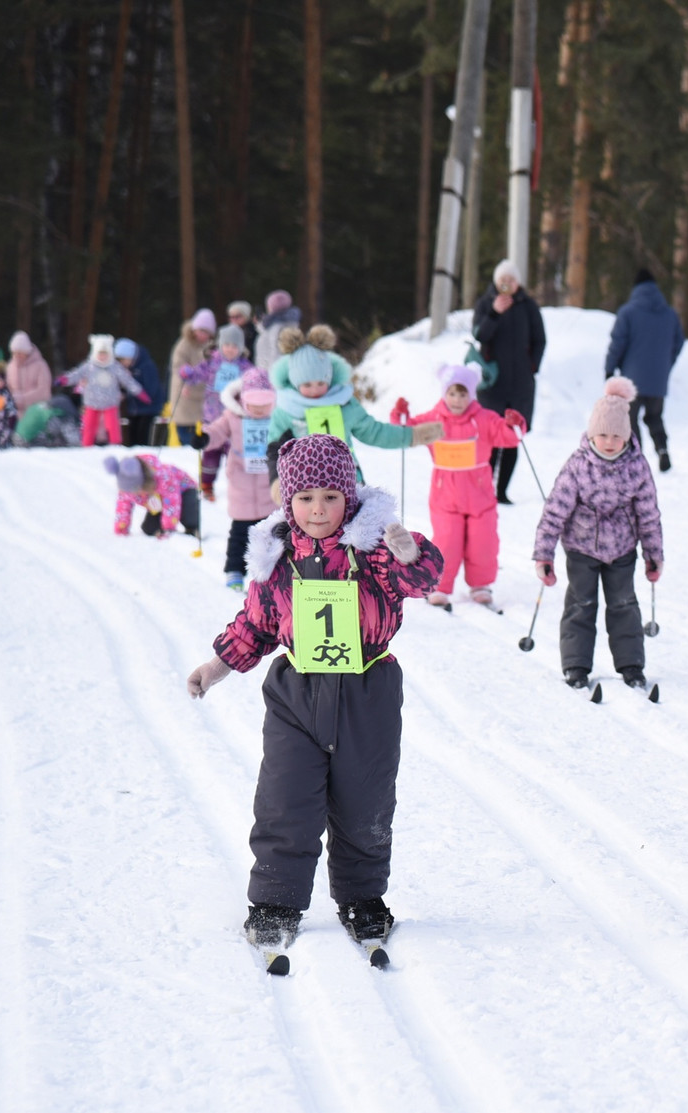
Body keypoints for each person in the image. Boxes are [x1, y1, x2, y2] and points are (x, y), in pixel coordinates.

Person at [184, 434, 445, 965]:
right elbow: (256, 624)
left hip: (367, 688)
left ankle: (362, 897)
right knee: (285, 797)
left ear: (347, 496)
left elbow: (421, 579)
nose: (318, 509)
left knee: (364, 800)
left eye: (330, 496)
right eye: (305, 498)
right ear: (288, 501)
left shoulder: (373, 549)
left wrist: (411, 553)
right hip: (296, 691)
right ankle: (275, 903)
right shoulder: (276, 555)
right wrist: (217, 665)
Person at [531, 377, 665, 692]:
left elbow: (648, 514)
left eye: (616, 435)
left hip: (621, 550)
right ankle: (576, 665)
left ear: (627, 436)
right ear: (592, 433)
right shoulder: (578, 466)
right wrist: (543, 554)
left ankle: (631, 664)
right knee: (581, 604)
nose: (609, 441)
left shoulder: (637, 466)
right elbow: (555, 511)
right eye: (602, 434)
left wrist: (654, 555)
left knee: (623, 605)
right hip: (581, 549)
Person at [404, 363, 519, 609]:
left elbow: (508, 436)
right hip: (445, 496)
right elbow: (408, 430)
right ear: (444, 393)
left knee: (483, 541)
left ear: (472, 394)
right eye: (452, 393)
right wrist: (400, 417)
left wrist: (512, 425)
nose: (457, 400)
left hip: (480, 495)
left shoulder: (484, 419)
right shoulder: (434, 420)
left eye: (463, 394)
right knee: (447, 541)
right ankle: (439, 586)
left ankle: (481, 584)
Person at [269, 325, 442, 468]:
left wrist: (414, 435)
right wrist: (276, 481)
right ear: (294, 382)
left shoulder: (344, 404)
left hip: (348, 482)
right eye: (307, 385)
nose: (315, 390)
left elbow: (375, 432)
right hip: (304, 488)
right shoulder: (286, 411)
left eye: (321, 383)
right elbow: (273, 449)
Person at [473, 259, 545, 503]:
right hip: (492, 384)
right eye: (502, 280)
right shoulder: (486, 304)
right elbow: (479, 335)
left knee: (513, 437)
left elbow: (540, 339)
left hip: (521, 384)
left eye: (511, 280)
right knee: (491, 438)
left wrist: (532, 366)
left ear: (518, 283)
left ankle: (502, 491)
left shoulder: (528, 306)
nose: (506, 284)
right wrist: (494, 313)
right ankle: (486, 489)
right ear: (496, 281)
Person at [206, 365, 280, 591]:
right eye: (253, 405)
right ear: (243, 401)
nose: (258, 410)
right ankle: (234, 570)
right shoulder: (232, 417)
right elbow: (216, 433)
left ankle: (274, 572)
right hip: (242, 484)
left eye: (264, 405)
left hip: (270, 485)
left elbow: (291, 436)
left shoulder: (277, 418)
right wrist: (202, 437)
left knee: (273, 532)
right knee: (240, 532)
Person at [603, 267, 683, 473]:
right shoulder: (670, 314)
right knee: (654, 417)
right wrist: (667, 363)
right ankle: (662, 449)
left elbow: (617, 343)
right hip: (658, 378)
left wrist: (610, 369)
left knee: (630, 420)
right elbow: (679, 342)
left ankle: (636, 457)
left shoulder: (628, 312)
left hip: (632, 379)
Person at [187, 323, 252, 497]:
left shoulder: (245, 367)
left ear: (241, 348)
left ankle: (237, 486)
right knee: (210, 453)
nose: (230, 349)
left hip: (234, 418)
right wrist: (188, 375)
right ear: (220, 345)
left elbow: (253, 382)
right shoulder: (211, 362)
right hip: (211, 416)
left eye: (235, 346)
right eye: (227, 345)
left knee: (234, 455)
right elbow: (197, 374)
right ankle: (207, 484)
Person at [59, 334, 150, 447]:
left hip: (110, 402)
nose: (102, 357)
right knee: (89, 426)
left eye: (105, 354)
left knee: (113, 426)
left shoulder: (115, 367)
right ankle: (86, 445)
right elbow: (76, 375)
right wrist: (64, 380)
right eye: (100, 354)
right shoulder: (89, 366)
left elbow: (127, 381)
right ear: (94, 353)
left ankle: (115, 445)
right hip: (92, 402)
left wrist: (139, 392)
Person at [102, 452, 200, 540]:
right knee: (149, 529)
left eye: (136, 489)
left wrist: (168, 528)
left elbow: (172, 503)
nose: (134, 493)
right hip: (160, 499)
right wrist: (121, 527)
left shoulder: (163, 477)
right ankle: (162, 526)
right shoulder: (127, 487)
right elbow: (123, 507)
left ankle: (192, 529)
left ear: (143, 481)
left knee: (187, 515)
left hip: (185, 489)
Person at [167, 309, 216, 449]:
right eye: (200, 330)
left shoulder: (211, 347)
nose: (202, 334)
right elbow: (177, 366)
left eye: (205, 332)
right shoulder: (183, 345)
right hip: (185, 394)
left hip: (203, 394)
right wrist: (185, 379)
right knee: (185, 428)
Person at [114, 338, 164, 446]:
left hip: (148, 409)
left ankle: (143, 455)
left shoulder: (147, 366)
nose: (122, 364)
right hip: (134, 409)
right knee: (132, 437)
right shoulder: (129, 369)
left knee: (142, 437)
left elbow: (151, 389)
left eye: (123, 360)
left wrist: (133, 384)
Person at [254, 290, 300, 371]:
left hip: (271, 374)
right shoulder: (276, 325)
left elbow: (276, 353)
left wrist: (273, 377)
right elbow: (267, 337)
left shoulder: (279, 328)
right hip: (267, 372)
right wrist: (260, 324)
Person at [5, 331, 51, 411]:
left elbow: (44, 390)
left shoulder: (40, 365)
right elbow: (7, 387)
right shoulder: (10, 366)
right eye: (15, 353)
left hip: (36, 411)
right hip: (15, 413)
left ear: (27, 352)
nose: (17, 356)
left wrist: (23, 399)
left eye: (20, 353)